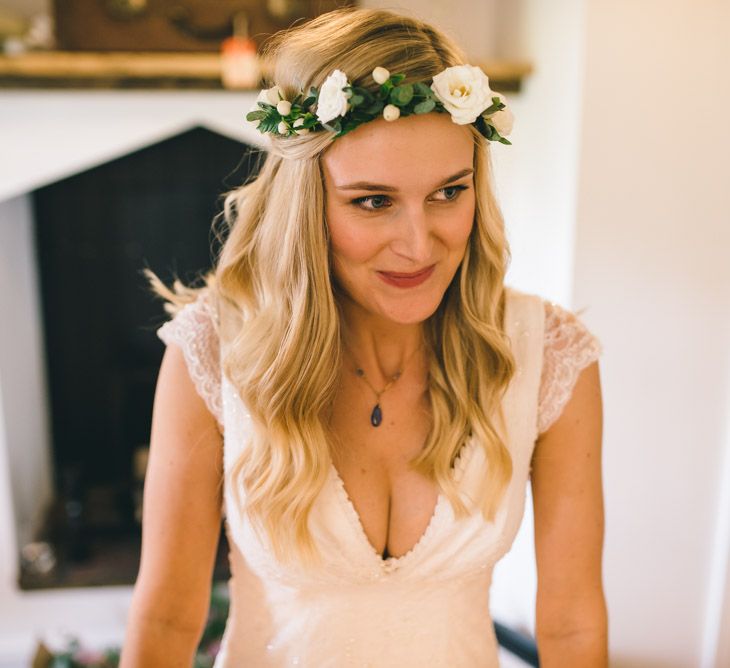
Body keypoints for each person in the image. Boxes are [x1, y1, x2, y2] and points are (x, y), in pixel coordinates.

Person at [120, 7, 608, 667]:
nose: (418, 245)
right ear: (307, 202)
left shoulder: (549, 356)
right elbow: (169, 620)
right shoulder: (214, 352)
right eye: (373, 201)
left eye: (448, 193)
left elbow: (573, 624)